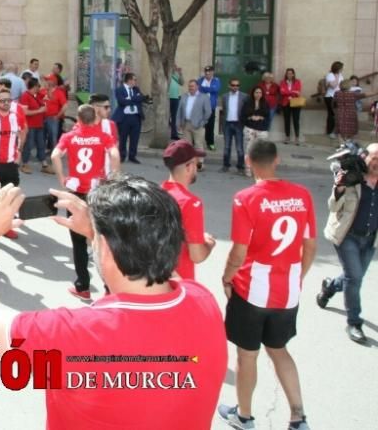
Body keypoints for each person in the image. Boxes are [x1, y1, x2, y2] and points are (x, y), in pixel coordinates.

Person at [0, 179, 228, 429]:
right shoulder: (203, 301)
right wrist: (99, 235)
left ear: (106, 248)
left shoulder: (78, 334)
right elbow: (159, 269)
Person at [219, 139, 315, 430]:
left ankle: (244, 416)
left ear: (248, 162)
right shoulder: (302, 195)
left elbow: (239, 251)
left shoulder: (245, 197)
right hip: (287, 291)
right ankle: (298, 417)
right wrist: (298, 276)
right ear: (277, 160)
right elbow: (310, 245)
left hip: (251, 291)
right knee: (279, 349)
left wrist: (226, 277)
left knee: (247, 355)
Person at [51, 104, 120, 300]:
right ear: (94, 119)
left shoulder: (69, 136)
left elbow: (55, 155)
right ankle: (109, 287)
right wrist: (112, 177)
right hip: (96, 192)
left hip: (76, 192)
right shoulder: (102, 136)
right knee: (101, 239)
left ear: (79, 120)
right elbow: (114, 154)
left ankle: (83, 286)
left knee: (78, 242)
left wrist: (61, 177)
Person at [318, 143, 378, 344]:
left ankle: (329, 287)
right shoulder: (353, 177)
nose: (376, 163)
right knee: (355, 278)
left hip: (370, 239)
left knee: (353, 276)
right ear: (364, 158)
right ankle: (354, 322)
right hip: (347, 236)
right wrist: (339, 187)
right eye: (374, 158)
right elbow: (333, 206)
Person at [161, 140, 215, 279]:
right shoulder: (191, 203)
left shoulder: (156, 192)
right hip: (180, 282)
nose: (197, 168)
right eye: (197, 164)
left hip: (157, 278)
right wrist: (208, 244)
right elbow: (197, 255)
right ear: (189, 167)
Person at [0, 88, 25, 188]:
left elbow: (22, 132)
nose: (6, 103)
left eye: (8, 100)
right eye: (2, 100)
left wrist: (19, 152)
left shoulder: (17, 117)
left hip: (11, 164)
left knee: (10, 196)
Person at [176, 79, 211, 165]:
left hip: (198, 125)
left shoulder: (204, 97)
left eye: (192, 86)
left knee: (198, 145)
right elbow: (179, 110)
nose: (190, 88)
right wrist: (178, 123)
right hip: (186, 124)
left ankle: (199, 164)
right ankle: (189, 163)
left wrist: (202, 122)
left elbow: (208, 112)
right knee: (187, 145)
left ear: (197, 87)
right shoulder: (184, 96)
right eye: (189, 86)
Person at [112, 72, 144, 164]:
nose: (135, 82)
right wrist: (134, 99)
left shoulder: (136, 89)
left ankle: (132, 156)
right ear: (129, 80)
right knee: (123, 137)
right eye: (134, 80)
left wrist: (130, 99)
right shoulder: (119, 89)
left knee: (135, 137)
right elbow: (122, 102)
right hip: (124, 118)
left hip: (135, 117)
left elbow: (141, 98)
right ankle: (122, 155)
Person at [221, 78, 249, 174]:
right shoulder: (225, 96)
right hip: (227, 124)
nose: (235, 87)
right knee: (227, 147)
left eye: (237, 85)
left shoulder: (244, 96)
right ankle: (225, 165)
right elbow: (224, 110)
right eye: (233, 85)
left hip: (238, 124)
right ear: (229, 85)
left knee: (239, 147)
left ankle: (240, 167)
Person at [19, 78, 46, 174]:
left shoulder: (36, 95)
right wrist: (39, 111)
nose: (40, 87)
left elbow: (46, 96)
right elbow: (24, 112)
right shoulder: (25, 96)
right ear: (34, 86)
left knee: (41, 144)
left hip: (39, 124)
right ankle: (24, 163)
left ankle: (44, 164)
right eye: (38, 86)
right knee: (28, 145)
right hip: (30, 125)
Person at [242, 86, 270, 176]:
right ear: (253, 93)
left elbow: (268, 117)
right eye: (256, 92)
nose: (258, 94)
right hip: (250, 128)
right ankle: (248, 169)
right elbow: (243, 116)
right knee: (249, 149)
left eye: (260, 93)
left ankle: (258, 169)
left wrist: (261, 117)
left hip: (261, 129)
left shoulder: (265, 103)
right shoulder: (248, 103)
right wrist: (251, 117)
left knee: (260, 150)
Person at [40, 74, 67, 170]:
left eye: (48, 80)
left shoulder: (59, 92)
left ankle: (54, 158)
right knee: (41, 138)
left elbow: (65, 105)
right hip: (42, 118)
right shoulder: (42, 91)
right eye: (46, 80)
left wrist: (58, 115)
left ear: (53, 82)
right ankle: (42, 158)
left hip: (53, 118)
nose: (46, 81)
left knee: (53, 139)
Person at [198, 65, 221, 150]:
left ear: (212, 72)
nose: (208, 73)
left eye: (210, 71)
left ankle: (210, 143)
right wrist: (209, 89)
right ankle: (196, 142)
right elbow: (198, 89)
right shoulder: (200, 80)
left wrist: (204, 89)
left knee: (210, 126)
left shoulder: (216, 80)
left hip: (211, 106)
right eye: (206, 71)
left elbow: (216, 89)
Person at [279, 68, 303, 145]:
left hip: (295, 103)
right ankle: (287, 137)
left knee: (296, 120)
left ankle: (297, 138)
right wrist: (292, 92)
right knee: (287, 120)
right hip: (286, 103)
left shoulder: (297, 81)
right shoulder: (282, 82)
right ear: (286, 74)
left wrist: (289, 92)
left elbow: (298, 92)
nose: (289, 75)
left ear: (293, 74)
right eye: (288, 73)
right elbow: (282, 92)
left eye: (290, 73)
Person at [324, 61, 344, 139]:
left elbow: (342, 85)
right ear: (337, 68)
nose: (342, 70)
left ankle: (336, 131)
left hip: (338, 96)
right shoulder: (330, 75)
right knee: (331, 114)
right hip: (330, 96)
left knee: (337, 114)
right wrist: (336, 76)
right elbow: (333, 86)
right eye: (341, 68)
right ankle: (330, 132)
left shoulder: (340, 75)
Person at [168, 65, 183, 140]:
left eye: (175, 66)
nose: (174, 67)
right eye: (173, 66)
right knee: (166, 117)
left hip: (176, 98)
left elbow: (182, 83)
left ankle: (174, 134)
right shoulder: (166, 74)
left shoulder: (176, 74)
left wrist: (180, 74)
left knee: (174, 117)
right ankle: (164, 133)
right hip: (167, 98)